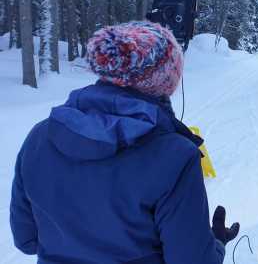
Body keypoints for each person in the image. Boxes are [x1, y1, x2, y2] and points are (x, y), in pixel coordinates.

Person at [10, 21, 239, 264]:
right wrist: (215, 244)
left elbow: (26, 240)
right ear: (166, 80)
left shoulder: (40, 136)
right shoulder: (176, 154)